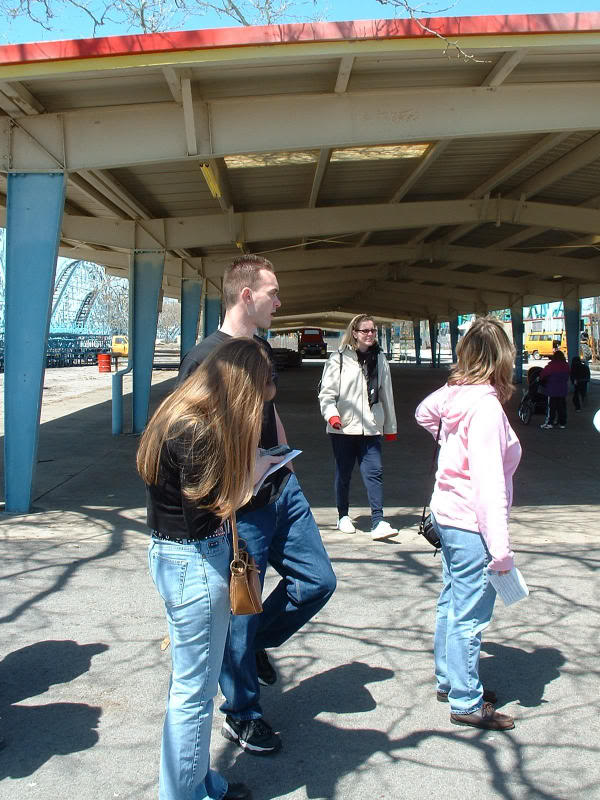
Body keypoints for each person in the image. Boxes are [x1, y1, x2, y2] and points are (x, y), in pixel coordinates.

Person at [178, 254, 336, 756]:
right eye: (273, 293)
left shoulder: (261, 350)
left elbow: (269, 413)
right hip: (241, 509)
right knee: (241, 613)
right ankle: (242, 713)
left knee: (318, 581)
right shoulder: (205, 358)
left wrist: (286, 465)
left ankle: (257, 645)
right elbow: (191, 443)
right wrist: (237, 482)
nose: (279, 302)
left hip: (282, 491)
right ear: (246, 295)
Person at [138, 337, 284, 800]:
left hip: (177, 558)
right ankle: (186, 793)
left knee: (192, 688)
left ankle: (199, 781)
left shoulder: (179, 413)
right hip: (195, 562)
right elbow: (203, 518)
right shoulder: (197, 430)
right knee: (194, 695)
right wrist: (249, 479)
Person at [415, 316, 522, 731]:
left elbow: (424, 413)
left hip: (446, 514)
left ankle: (451, 680)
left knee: (451, 602)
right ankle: (465, 700)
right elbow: (489, 486)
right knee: (469, 616)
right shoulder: (487, 408)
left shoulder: (455, 393)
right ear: (502, 358)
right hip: (469, 523)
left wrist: (449, 442)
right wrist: (501, 552)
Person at [318, 314, 398, 540]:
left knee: (374, 473)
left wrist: (390, 426)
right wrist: (332, 416)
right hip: (343, 428)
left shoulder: (379, 359)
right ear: (354, 333)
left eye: (373, 330)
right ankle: (343, 515)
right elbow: (326, 394)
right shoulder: (338, 359)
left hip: (371, 427)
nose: (370, 334)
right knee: (343, 473)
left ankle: (378, 521)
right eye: (365, 330)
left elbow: (387, 394)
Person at [540, 349, 570, 429]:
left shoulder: (551, 366)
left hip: (552, 390)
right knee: (562, 407)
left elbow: (542, 375)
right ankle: (562, 423)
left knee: (551, 407)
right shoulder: (566, 365)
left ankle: (550, 423)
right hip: (563, 390)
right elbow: (568, 376)